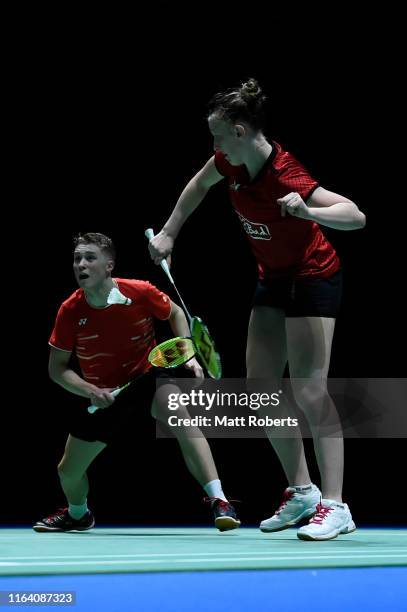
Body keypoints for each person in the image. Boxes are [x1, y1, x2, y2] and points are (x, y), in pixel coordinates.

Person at [148, 78, 366, 541]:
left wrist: (310, 212)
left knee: (309, 391)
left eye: (218, 135)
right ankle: (301, 490)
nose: (214, 145)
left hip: (313, 278)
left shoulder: (288, 174)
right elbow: (198, 184)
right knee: (259, 391)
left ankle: (336, 504)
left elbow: (355, 214)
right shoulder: (228, 161)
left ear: (242, 130)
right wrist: (169, 233)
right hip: (273, 280)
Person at [33, 232, 240, 533]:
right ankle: (78, 515)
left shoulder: (139, 292)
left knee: (179, 415)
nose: (81, 264)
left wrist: (188, 354)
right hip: (105, 392)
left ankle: (220, 500)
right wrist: (90, 391)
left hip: (147, 375)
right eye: (77, 259)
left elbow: (176, 312)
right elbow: (57, 369)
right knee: (67, 471)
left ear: (109, 266)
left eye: (90, 258)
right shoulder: (70, 311)